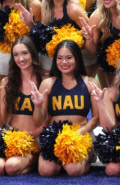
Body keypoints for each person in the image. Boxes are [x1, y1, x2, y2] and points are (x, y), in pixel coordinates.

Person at [30, 40, 100, 177]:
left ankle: (88, 158)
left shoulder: (90, 82)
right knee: (46, 171)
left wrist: (81, 131)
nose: (64, 62)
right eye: (60, 58)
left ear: (77, 59)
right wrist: (38, 106)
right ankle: (62, 162)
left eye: (69, 58)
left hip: (80, 135)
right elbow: (39, 121)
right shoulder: (47, 84)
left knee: (73, 170)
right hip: (54, 137)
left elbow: (96, 118)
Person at [0, 37, 43, 176]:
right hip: (10, 138)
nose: (20, 58)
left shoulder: (44, 81)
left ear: (33, 54)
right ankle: (26, 164)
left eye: (24, 53)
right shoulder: (7, 82)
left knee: (11, 167)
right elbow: (1, 123)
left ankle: (35, 159)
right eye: (16, 55)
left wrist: (29, 137)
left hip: (33, 140)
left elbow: (48, 121)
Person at [18, 0, 89, 74]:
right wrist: (30, 24)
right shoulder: (46, 6)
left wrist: (70, 45)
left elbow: (91, 38)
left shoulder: (73, 10)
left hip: (77, 60)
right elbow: (44, 37)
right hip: (56, 60)